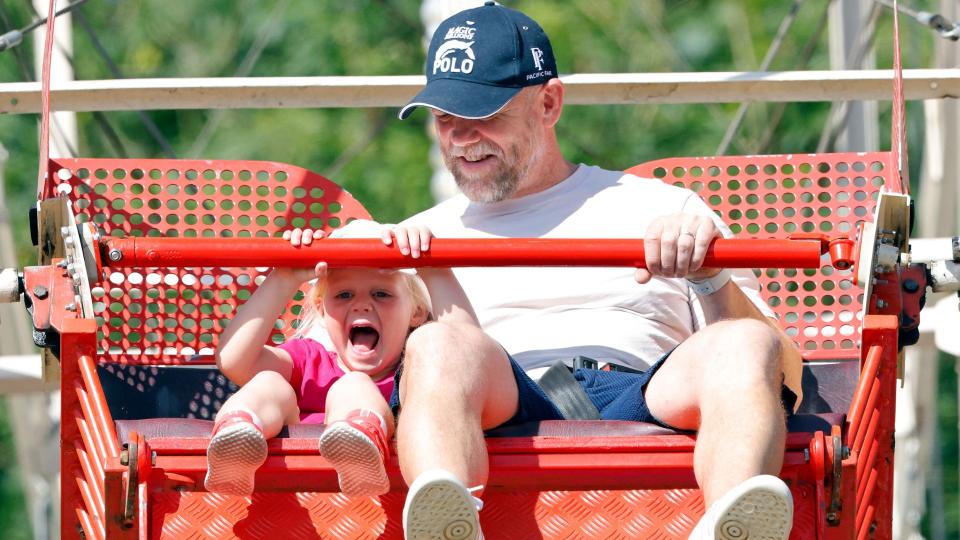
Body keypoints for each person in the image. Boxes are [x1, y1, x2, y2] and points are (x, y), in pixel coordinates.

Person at [391, 3, 803, 539]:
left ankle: (729, 523)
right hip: (497, 398)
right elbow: (330, 355)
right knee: (437, 345)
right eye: (447, 119)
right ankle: (447, 520)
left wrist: (709, 275)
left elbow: (786, 374)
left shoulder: (665, 208)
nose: (463, 139)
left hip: (644, 389)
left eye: (486, 115)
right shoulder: (414, 237)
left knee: (745, 340)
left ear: (549, 103)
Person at [204, 220, 480, 499]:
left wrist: (434, 270)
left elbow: (465, 353)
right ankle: (238, 434)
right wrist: (284, 278)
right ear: (321, 311)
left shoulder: (419, 375)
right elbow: (234, 361)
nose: (361, 304)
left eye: (381, 294)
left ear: (417, 312)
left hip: (369, 486)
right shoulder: (309, 359)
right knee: (267, 382)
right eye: (344, 294)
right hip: (294, 487)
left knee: (353, 385)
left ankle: (357, 440)